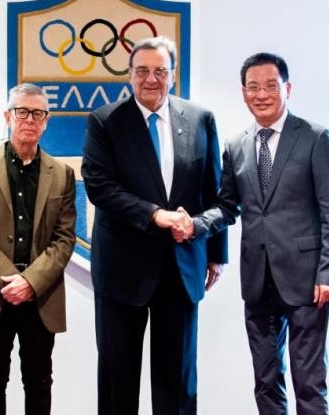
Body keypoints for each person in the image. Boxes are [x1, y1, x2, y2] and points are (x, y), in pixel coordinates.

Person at [82, 36, 227, 414]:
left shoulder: (201, 119)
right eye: (142, 71)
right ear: (129, 75)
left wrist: (216, 253)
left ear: (173, 75)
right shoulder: (105, 121)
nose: (151, 79)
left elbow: (214, 190)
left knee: (178, 382)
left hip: (182, 267)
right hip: (121, 269)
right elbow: (99, 186)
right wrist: (153, 215)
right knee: (117, 380)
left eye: (160, 71)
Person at [195, 52, 329, 414]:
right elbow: (227, 206)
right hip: (258, 280)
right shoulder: (236, 145)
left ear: (287, 89)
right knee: (265, 380)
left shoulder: (315, 138)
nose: (261, 94)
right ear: (243, 92)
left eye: (270, 86)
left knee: (309, 381)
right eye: (253, 87)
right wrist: (196, 224)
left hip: (307, 281)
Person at [0, 83, 76, 415]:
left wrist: (30, 282)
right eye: (22, 111)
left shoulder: (62, 174)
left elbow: (64, 238)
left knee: (39, 383)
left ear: (46, 121)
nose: (30, 120)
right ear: (7, 116)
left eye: (38, 113)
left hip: (41, 296)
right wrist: (12, 279)